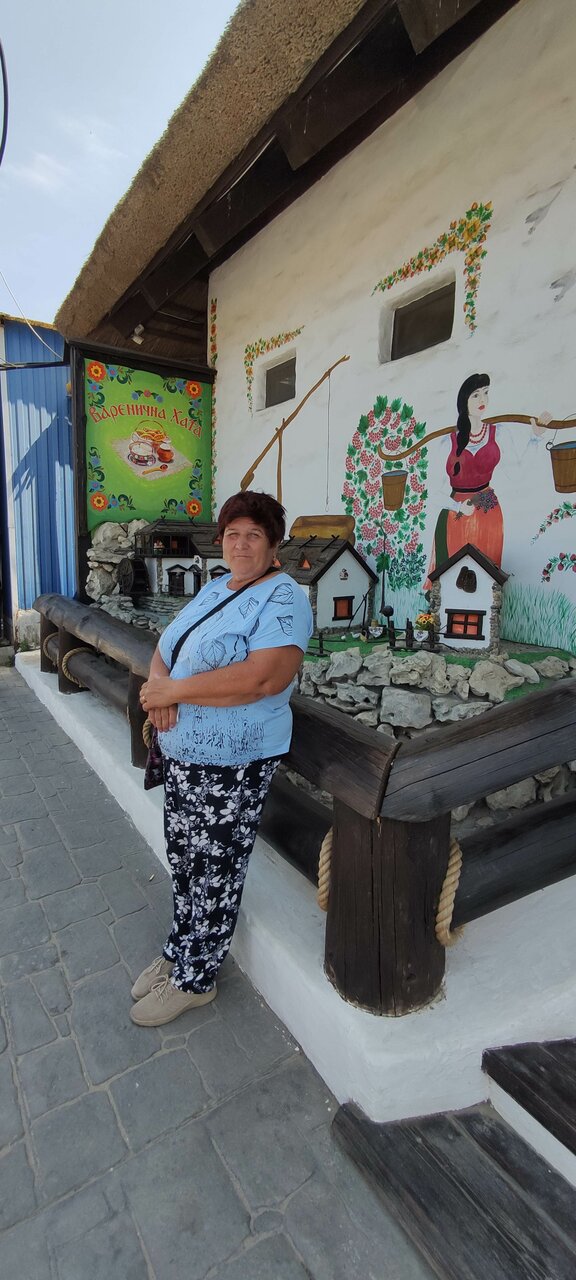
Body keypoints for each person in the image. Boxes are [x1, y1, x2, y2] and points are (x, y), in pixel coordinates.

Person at [130, 490, 312, 1027]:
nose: (241, 544)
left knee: (216, 868)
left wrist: (175, 692)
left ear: (274, 545)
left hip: (234, 761)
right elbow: (166, 647)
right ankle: (179, 948)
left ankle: (196, 979)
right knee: (185, 857)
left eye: (254, 535)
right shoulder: (214, 587)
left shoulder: (285, 599)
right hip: (183, 752)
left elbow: (264, 678)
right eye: (233, 534)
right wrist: (160, 691)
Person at [425, 373, 550, 586]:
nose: (482, 400)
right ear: (464, 401)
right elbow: (431, 492)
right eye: (475, 395)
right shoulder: (447, 442)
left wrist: (535, 438)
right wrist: (457, 506)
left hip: (488, 512)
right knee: (452, 579)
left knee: (486, 580)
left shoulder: (498, 433)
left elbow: (518, 473)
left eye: (486, 393)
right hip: (456, 517)